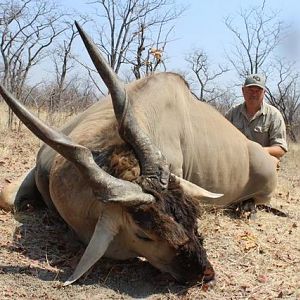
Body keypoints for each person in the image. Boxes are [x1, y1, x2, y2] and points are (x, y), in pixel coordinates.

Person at [225, 74, 288, 160]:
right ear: (243, 91)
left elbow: (280, 149)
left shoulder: (274, 115)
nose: (254, 94)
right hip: (236, 162)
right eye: (250, 90)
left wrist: (257, 152)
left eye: (258, 90)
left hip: (263, 164)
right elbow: (221, 139)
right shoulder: (232, 113)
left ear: (264, 93)